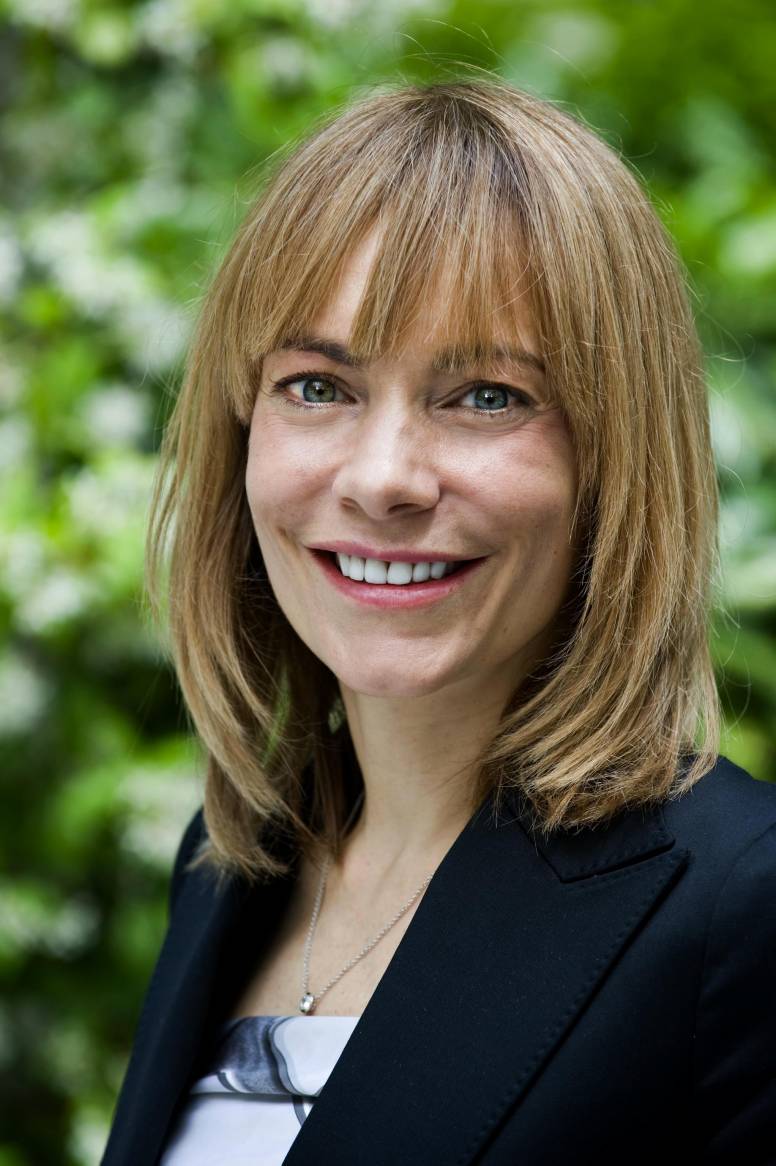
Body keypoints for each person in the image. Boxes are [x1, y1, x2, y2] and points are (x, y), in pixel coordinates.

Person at [100, 77, 776, 1166]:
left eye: (486, 396)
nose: (382, 479)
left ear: (616, 456)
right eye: (317, 386)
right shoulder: (232, 865)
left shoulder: (739, 908)